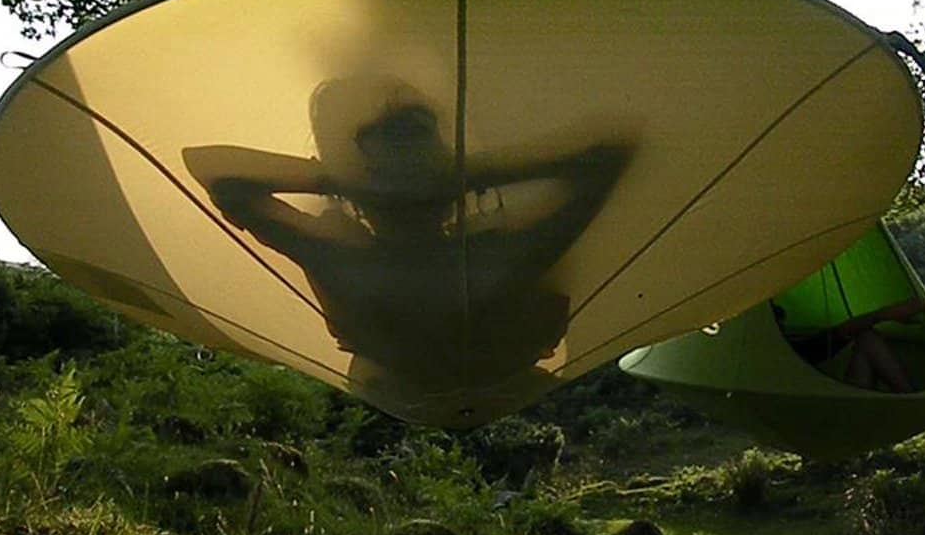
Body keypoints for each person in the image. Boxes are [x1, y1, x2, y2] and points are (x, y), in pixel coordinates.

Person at [183, 75, 633, 400]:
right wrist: (463, 174)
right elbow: (608, 152)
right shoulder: (504, 251)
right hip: (443, 404)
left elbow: (212, 170)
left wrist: (355, 181)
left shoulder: (340, 256)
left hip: (453, 402)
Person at [773, 297, 925, 392]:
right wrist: (886, 314)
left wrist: (887, 314)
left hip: (842, 406)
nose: (782, 329)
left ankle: (913, 402)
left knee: (868, 339)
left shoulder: (788, 349)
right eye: (779, 325)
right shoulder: (775, 356)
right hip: (828, 414)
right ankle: (914, 404)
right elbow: (838, 334)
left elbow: (836, 336)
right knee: (867, 339)